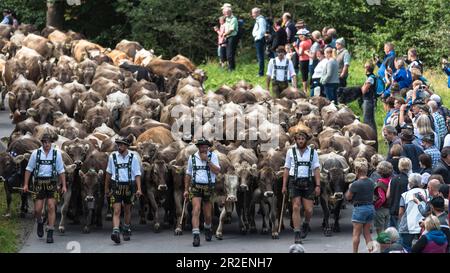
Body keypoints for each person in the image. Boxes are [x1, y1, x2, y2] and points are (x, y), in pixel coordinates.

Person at [23, 133, 67, 244]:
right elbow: (29, 169)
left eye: (48, 142)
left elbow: (61, 170)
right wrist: (26, 184)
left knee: (51, 207)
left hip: (51, 183)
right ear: (42, 142)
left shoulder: (56, 153)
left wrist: (64, 185)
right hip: (38, 183)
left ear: (51, 142)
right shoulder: (35, 153)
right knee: (38, 210)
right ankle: (39, 221)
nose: (46, 144)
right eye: (44, 142)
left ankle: (50, 233)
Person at [282, 130, 320, 244]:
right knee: (295, 207)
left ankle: (306, 223)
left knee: (309, 209)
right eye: (298, 139)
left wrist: (318, 185)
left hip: (308, 181)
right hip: (294, 181)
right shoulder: (290, 151)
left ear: (306, 140)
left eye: (302, 139)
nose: (300, 141)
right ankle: (297, 233)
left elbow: (316, 169)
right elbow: (287, 168)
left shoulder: (313, 152)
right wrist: (284, 185)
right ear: (295, 140)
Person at [104, 136, 142, 244]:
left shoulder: (133, 157)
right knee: (116, 210)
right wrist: (106, 188)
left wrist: (139, 189)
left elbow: (137, 174)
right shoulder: (113, 156)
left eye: (121, 144)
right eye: (118, 144)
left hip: (129, 186)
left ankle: (126, 228)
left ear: (126, 146)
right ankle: (115, 232)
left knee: (127, 210)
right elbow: (109, 173)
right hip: (116, 186)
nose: (119, 146)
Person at [184, 138, 221, 247]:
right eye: (201, 146)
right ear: (198, 147)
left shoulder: (213, 156)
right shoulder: (192, 157)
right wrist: (186, 189)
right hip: (196, 187)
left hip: (208, 187)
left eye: (205, 147)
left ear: (208, 147)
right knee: (196, 210)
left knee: (208, 215)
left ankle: (208, 227)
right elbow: (188, 174)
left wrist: (207, 161)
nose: (204, 148)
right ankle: (196, 235)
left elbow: (217, 171)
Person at [345, 158, 375, 253]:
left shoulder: (355, 184)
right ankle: (371, 251)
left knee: (356, 234)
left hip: (359, 209)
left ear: (357, 171)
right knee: (367, 234)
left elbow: (348, 197)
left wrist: (349, 187)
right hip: (370, 208)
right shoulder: (371, 182)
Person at [398, 173, 425, 249]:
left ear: (410, 183)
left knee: (406, 247)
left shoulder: (405, 195)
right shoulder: (426, 192)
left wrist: (401, 223)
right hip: (423, 224)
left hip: (408, 226)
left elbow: (401, 212)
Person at [387, 157, 411, 228]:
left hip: (393, 209)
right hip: (404, 210)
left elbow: (388, 195)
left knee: (391, 233)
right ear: (409, 166)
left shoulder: (392, 180)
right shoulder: (409, 180)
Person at [374, 161, 393, 235]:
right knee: (387, 229)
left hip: (381, 209)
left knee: (380, 231)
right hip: (390, 208)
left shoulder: (380, 183)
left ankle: (382, 245)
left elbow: (382, 198)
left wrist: (376, 206)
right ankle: (388, 245)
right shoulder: (392, 181)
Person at [361, 60, 377, 135]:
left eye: (364, 67)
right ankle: (372, 134)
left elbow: (363, 90)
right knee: (371, 120)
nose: (364, 69)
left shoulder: (370, 78)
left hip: (368, 100)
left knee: (367, 120)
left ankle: (369, 135)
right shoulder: (372, 77)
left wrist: (363, 86)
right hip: (370, 100)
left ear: (367, 68)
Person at [295, 29, 312, 93]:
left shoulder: (302, 43)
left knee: (304, 75)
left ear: (302, 36)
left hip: (303, 60)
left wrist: (295, 47)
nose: (299, 37)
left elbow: (300, 53)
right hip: (309, 59)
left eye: (299, 35)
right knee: (308, 74)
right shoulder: (309, 40)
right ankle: (308, 87)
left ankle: (305, 90)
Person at [251, 8, 266, 77]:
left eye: (253, 13)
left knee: (260, 56)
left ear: (257, 13)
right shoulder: (258, 20)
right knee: (259, 56)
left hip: (259, 40)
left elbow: (262, 30)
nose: (252, 15)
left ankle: (261, 73)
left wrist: (257, 38)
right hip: (258, 39)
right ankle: (260, 72)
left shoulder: (261, 20)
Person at [222, 6, 238, 71]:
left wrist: (225, 34)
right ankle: (230, 68)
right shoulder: (227, 19)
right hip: (228, 37)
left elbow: (231, 29)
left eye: (226, 13)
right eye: (224, 13)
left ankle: (231, 68)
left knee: (230, 54)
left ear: (230, 12)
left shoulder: (233, 19)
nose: (225, 14)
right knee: (228, 54)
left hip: (232, 37)